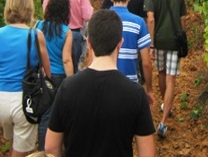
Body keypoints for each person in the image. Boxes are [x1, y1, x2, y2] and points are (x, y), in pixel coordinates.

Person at [45, 9, 156, 157]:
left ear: (89, 43)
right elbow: (147, 154)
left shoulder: (67, 88)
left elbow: (51, 147)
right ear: (120, 44)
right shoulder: (135, 93)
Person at [0, 0, 51, 157]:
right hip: (24, 100)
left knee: (11, 137)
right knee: (22, 149)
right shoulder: (35, 35)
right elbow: (47, 70)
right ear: (29, 9)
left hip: (1, 98)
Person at [144, 0, 187, 138]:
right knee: (171, 79)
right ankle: (163, 122)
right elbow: (183, 18)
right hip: (174, 41)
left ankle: (164, 106)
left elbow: (151, 19)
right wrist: (182, 34)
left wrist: (151, 44)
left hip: (159, 41)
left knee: (161, 73)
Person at [36, 0, 73, 151]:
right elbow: (66, 59)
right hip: (59, 77)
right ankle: (59, 148)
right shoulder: (66, 32)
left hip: (42, 75)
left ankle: (44, 150)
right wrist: (72, 81)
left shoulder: (38, 26)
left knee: (45, 114)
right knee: (62, 114)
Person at [109, 0, 154, 105]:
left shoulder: (101, 20)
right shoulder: (138, 22)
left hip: (105, 83)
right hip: (130, 83)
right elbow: (146, 62)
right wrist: (149, 89)